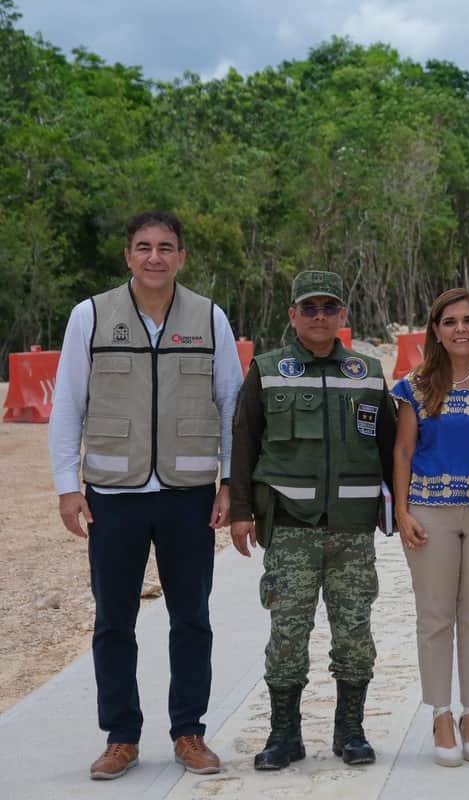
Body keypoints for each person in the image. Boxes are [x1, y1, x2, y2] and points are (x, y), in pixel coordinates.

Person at [48, 210, 240, 780]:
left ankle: (189, 732)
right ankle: (121, 738)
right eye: (143, 247)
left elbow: (230, 404)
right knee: (113, 621)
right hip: (114, 493)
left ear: (181, 256)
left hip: (187, 495)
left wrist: (229, 481)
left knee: (192, 618)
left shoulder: (209, 317)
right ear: (127, 255)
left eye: (166, 247)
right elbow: (67, 406)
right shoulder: (91, 316)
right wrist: (67, 488)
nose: (154, 257)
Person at [228, 270, 395, 770]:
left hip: (352, 529)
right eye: (309, 308)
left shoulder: (367, 372)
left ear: (344, 315)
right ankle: (284, 735)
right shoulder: (267, 369)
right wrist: (240, 511)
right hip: (290, 528)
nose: (319, 317)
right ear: (292, 316)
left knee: (354, 633)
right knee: (287, 634)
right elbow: (243, 442)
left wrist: (400, 511)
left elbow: (390, 447)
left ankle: (351, 730)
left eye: (329, 308)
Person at [393, 288, 469, 767]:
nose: (460, 329)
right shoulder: (415, 384)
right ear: (435, 329)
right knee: (435, 616)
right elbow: (402, 451)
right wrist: (402, 512)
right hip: (430, 512)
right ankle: (441, 713)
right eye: (449, 322)